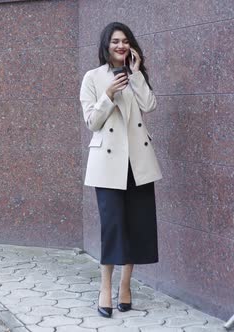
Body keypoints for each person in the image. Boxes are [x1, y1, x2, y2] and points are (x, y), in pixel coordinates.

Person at [79, 22, 162, 318]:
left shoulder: (134, 76)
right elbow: (92, 121)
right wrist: (109, 94)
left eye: (125, 41)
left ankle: (125, 286)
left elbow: (150, 105)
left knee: (137, 227)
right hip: (108, 165)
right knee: (113, 227)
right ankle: (105, 288)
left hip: (137, 162)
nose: (121, 46)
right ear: (106, 44)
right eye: (115, 41)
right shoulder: (93, 78)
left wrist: (136, 74)